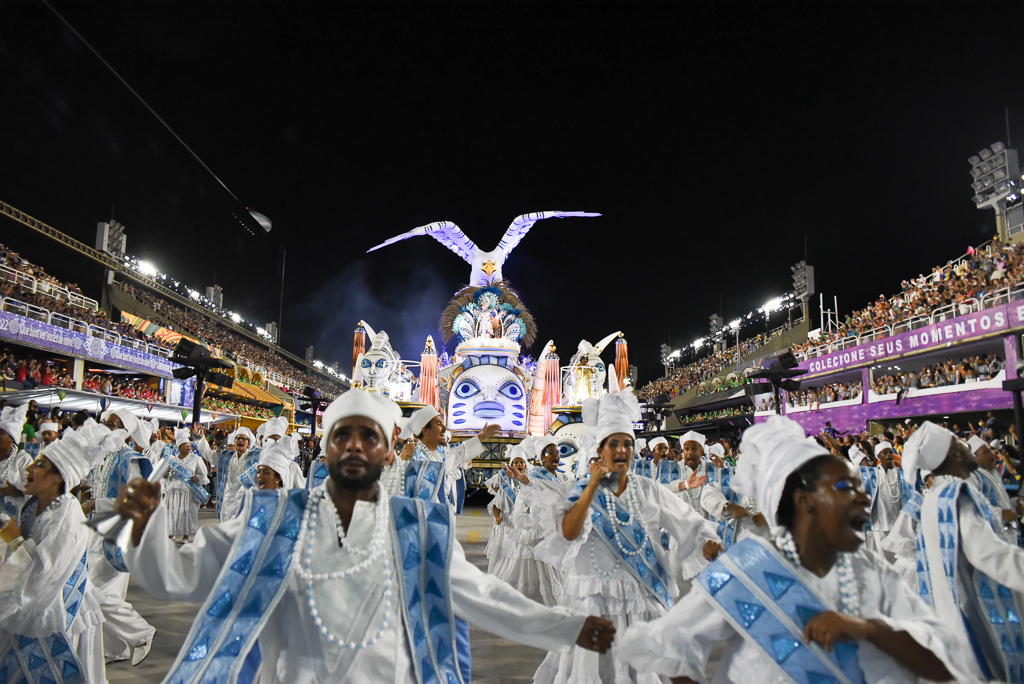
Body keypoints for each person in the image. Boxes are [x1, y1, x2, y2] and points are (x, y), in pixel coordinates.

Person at [114, 389, 615, 684]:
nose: (355, 444)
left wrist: (564, 627)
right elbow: (179, 577)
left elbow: (485, 597)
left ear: (386, 451)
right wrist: (144, 527)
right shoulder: (271, 523)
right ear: (326, 450)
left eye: (369, 435)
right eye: (341, 435)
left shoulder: (417, 530)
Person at [618, 415, 976, 684]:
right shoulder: (746, 570)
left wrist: (867, 629)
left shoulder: (872, 570)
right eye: (844, 487)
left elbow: (945, 663)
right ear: (804, 502)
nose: (864, 496)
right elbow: (667, 645)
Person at [529, 387, 721, 684]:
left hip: (640, 600)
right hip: (595, 602)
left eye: (628, 444)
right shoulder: (582, 490)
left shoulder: (647, 489)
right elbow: (568, 533)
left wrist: (706, 542)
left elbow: (688, 522)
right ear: (601, 450)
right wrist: (592, 484)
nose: (621, 450)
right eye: (614, 444)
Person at [0, 420, 127, 683]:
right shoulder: (34, 504)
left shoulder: (66, 516)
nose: (29, 468)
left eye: (39, 465)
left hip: (55, 612)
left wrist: (12, 541)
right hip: (34, 604)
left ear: (59, 477)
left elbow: (44, 571)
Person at [903, 421, 1024, 681]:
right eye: (960, 443)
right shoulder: (955, 495)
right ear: (953, 454)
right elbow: (989, 553)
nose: (968, 446)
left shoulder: (937, 496)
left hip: (955, 617)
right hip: (976, 620)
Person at [499, 436, 571, 606]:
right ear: (542, 457)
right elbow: (530, 493)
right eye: (550, 452)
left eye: (557, 452)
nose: (556, 455)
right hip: (539, 530)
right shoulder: (536, 475)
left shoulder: (563, 478)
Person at [398, 406, 499, 513]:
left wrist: (482, 437)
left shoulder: (439, 452)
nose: (444, 427)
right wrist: (402, 460)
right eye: (438, 424)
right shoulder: (415, 457)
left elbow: (456, 456)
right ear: (425, 430)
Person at [163, 427, 210, 543]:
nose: (189, 447)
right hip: (173, 490)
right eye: (186, 445)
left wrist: (197, 478)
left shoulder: (196, 458)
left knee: (186, 512)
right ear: (179, 447)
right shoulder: (171, 459)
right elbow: (164, 477)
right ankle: (171, 533)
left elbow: (204, 473)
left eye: (189, 445)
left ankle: (185, 535)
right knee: (172, 512)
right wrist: (167, 471)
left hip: (188, 490)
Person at [217, 426, 257, 520]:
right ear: (234, 441)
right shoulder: (227, 457)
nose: (240, 440)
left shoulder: (252, 458)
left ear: (248, 443)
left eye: (244, 439)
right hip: (226, 501)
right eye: (238, 438)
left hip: (242, 502)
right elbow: (209, 455)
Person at [0, 403, 33, 515]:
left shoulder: (23, 460)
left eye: (1, 432)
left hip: (14, 520)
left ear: (11, 439)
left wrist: (16, 491)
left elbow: (34, 491)